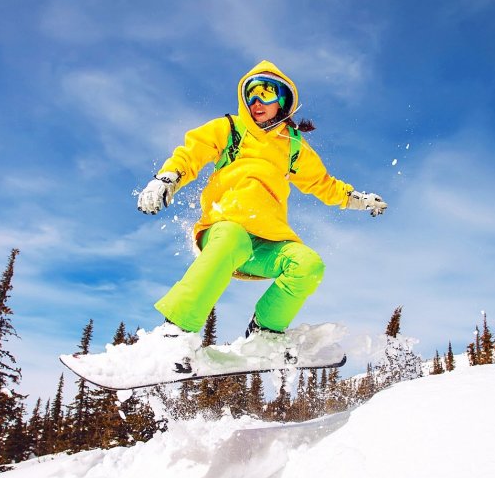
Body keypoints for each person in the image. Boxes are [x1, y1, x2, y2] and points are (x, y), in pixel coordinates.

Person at [137, 60, 386, 341]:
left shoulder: (293, 146)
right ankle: (176, 332)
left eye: (266, 93)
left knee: (307, 264)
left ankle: (264, 332)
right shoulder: (230, 128)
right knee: (233, 237)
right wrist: (167, 178)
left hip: (265, 243)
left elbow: (321, 183)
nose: (256, 101)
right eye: (251, 93)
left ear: (282, 100)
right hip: (225, 232)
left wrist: (357, 199)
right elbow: (191, 153)